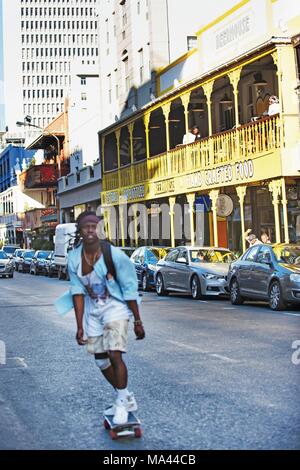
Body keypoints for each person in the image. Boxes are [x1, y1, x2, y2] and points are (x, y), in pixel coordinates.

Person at [57, 210, 145, 425]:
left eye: (94, 226)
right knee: (101, 360)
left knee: (115, 354)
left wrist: (137, 321)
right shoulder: (73, 259)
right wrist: (79, 326)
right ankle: (123, 395)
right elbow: (77, 292)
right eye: (86, 226)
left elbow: (130, 288)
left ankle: (122, 403)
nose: (90, 230)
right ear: (80, 230)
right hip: (93, 313)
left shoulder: (114, 255)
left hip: (116, 309)